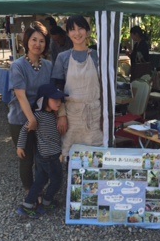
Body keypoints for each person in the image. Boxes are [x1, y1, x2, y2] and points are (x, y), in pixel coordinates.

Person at [8, 21, 52, 195]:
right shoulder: (18, 66)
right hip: (20, 118)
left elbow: (52, 92)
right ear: (26, 41)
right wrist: (31, 120)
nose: (37, 44)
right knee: (26, 158)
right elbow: (20, 95)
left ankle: (40, 188)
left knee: (43, 156)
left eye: (41, 41)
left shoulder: (48, 65)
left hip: (42, 118)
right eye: (34, 40)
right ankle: (29, 191)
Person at [51, 15, 103, 160]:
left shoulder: (97, 57)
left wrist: (105, 116)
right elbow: (57, 89)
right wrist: (61, 115)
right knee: (72, 156)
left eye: (80, 28)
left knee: (95, 157)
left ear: (87, 31)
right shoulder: (63, 57)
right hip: (71, 115)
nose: (77, 33)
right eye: (72, 29)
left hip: (94, 115)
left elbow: (104, 89)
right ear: (68, 33)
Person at [16, 83, 67, 218]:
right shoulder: (38, 116)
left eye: (60, 100)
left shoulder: (52, 115)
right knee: (57, 180)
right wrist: (20, 146)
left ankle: (27, 205)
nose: (59, 102)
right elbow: (24, 130)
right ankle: (46, 202)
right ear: (43, 100)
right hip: (49, 156)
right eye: (55, 100)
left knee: (40, 181)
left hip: (47, 155)